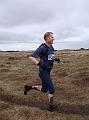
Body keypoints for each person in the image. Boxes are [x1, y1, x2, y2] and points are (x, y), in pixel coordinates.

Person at [24, 32, 60, 112]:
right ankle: (51, 107)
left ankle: (29, 87)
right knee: (51, 89)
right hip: (43, 71)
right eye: (52, 37)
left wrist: (55, 59)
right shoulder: (42, 48)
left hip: (48, 71)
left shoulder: (51, 47)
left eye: (53, 37)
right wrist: (39, 63)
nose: (53, 38)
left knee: (44, 89)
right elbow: (31, 57)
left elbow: (49, 56)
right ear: (47, 38)